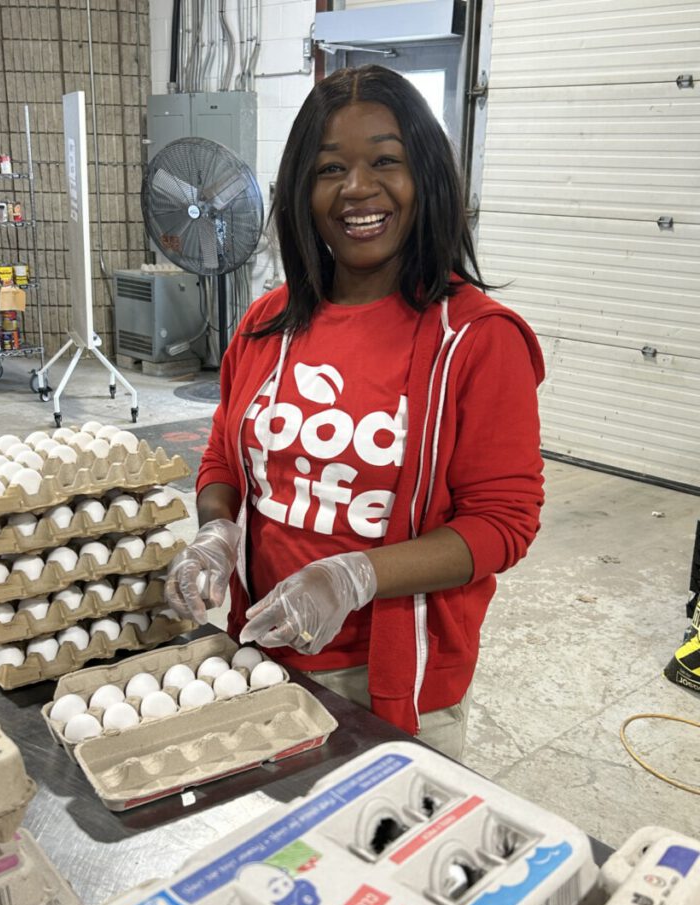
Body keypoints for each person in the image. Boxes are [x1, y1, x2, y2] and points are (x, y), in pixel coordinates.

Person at [166, 65, 545, 760]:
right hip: (265, 653)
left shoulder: (477, 340)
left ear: (425, 176)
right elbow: (224, 455)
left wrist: (353, 576)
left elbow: (503, 525)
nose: (358, 189)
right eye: (330, 168)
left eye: (385, 162)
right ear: (301, 191)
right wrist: (216, 532)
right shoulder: (264, 325)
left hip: (392, 685)